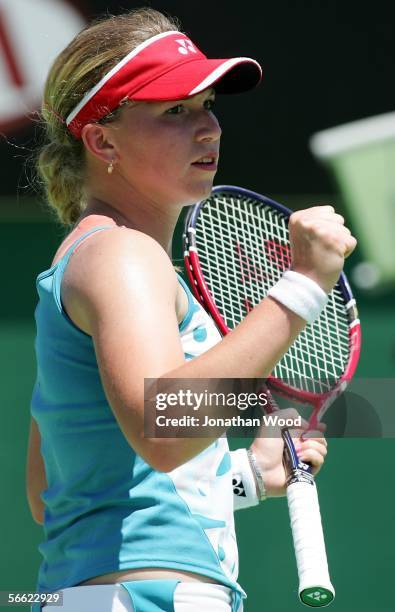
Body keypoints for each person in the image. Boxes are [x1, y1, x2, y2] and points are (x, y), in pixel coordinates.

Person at [26, 7, 356, 612]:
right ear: (102, 140)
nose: (208, 128)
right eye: (175, 111)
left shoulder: (96, 258)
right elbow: (163, 427)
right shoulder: (122, 255)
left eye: (208, 106)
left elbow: (52, 491)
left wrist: (243, 479)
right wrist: (305, 284)